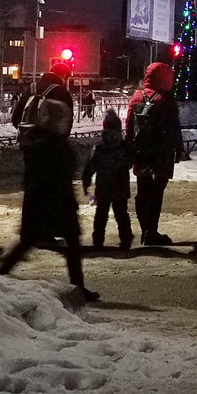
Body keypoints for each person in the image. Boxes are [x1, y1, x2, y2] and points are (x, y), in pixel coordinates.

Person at [0, 98, 96, 301]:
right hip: (47, 202)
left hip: (56, 202)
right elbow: (41, 177)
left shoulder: (52, 143)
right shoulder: (45, 145)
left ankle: (78, 286)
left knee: (69, 245)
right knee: (32, 242)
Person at [125, 61, 182, 246]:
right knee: (156, 193)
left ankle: (145, 232)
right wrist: (178, 148)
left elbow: (129, 124)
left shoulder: (137, 96)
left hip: (141, 151)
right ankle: (152, 232)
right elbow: (174, 126)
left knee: (142, 192)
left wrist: (129, 147)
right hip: (161, 153)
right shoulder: (165, 98)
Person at [80, 110, 133, 251]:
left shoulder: (99, 147)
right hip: (121, 186)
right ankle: (126, 240)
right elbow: (130, 162)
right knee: (121, 214)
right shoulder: (124, 146)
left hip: (103, 186)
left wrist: (86, 182)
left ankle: (98, 241)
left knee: (101, 214)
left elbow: (91, 166)